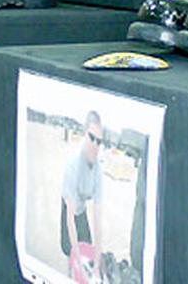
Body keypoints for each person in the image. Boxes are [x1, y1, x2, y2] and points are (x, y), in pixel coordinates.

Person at [61, 110, 104, 275]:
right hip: (69, 208)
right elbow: (70, 219)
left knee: (89, 247)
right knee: (70, 251)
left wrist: (97, 264)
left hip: (82, 209)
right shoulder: (73, 165)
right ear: (84, 135)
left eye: (99, 141)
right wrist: (77, 259)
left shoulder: (98, 170)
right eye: (91, 138)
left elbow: (97, 219)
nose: (95, 145)